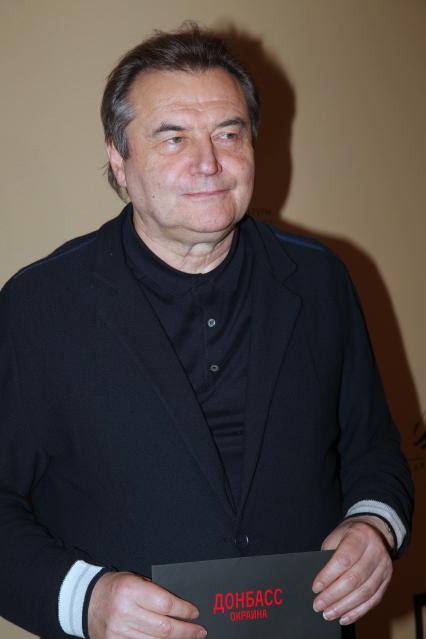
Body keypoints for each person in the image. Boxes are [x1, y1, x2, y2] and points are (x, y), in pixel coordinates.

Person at [0, 24, 413, 639]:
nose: (209, 163)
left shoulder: (321, 280)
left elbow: (372, 447)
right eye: (173, 138)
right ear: (119, 158)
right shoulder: (38, 306)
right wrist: (85, 599)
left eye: (229, 133)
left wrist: (374, 524)